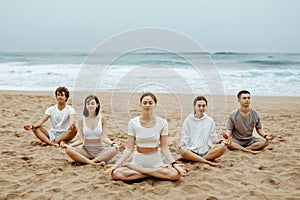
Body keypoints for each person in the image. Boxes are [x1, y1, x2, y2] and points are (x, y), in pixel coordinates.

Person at [109, 92, 186, 181]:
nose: (147, 105)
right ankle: (154, 174)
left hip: (155, 161)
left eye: (150, 103)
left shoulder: (162, 123)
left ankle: (141, 171)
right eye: (144, 103)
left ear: (155, 105)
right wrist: (115, 166)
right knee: (115, 174)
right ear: (140, 105)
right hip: (138, 160)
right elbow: (129, 149)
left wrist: (174, 164)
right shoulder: (133, 123)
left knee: (176, 175)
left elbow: (164, 148)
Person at [60, 95, 119, 165]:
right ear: (86, 106)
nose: (90, 105)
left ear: (97, 105)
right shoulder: (81, 121)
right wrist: (70, 146)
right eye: (88, 104)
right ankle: (94, 163)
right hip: (86, 152)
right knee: (68, 150)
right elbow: (81, 140)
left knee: (115, 149)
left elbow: (104, 137)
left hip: (100, 152)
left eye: (93, 103)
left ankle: (91, 162)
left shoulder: (102, 120)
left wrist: (113, 143)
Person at [177, 96, 229, 167]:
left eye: (203, 106)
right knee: (181, 149)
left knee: (223, 147)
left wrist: (221, 142)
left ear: (206, 107)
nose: (201, 108)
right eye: (199, 106)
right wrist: (182, 143)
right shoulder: (188, 120)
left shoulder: (210, 121)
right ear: (194, 107)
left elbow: (213, 139)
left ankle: (199, 160)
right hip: (192, 151)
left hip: (207, 152)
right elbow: (185, 136)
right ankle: (207, 162)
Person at [222, 90, 274, 154]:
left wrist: (266, 136)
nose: (247, 100)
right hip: (236, 140)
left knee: (266, 142)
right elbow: (229, 131)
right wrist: (226, 136)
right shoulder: (232, 115)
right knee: (227, 143)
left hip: (249, 140)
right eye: (244, 98)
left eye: (248, 98)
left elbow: (259, 129)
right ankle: (248, 150)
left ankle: (244, 149)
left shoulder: (255, 114)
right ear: (238, 100)